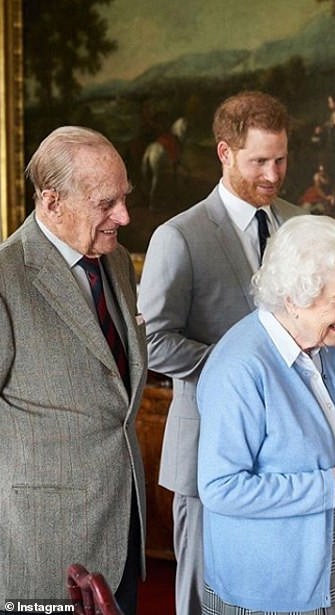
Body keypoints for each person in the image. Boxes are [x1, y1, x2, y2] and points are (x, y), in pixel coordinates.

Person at [137, 90, 305, 615]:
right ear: (224, 153)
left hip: (287, 458)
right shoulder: (179, 236)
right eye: (259, 161)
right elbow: (153, 341)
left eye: (281, 159)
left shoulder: (299, 224)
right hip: (208, 451)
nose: (274, 175)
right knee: (202, 598)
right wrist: (242, 370)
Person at [196, 215, 335, 613]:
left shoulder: (322, 346)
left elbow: (317, 434)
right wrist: (330, 485)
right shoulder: (239, 368)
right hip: (269, 584)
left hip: (331, 555)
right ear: (293, 299)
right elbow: (221, 488)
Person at [0, 126, 147, 613]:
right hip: (41, 544)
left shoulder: (118, 262)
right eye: (106, 203)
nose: (122, 216)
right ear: (51, 200)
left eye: (123, 198)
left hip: (123, 526)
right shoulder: (6, 277)